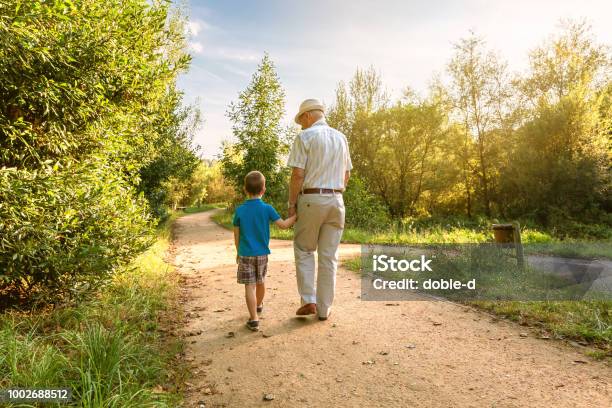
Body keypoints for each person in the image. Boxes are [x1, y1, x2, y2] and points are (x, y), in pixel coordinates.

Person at [286, 99, 352, 321]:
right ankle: (324, 309)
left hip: (311, 199)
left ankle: (308, 301)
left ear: (307, 116)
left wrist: (291, 204)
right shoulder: (341, 137)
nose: (300, 125)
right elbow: (347, 175)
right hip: (337, 200)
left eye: (301, 121)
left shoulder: (305, 137)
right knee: (328, 256)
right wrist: (336, 191)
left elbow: (297, 174)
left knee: (304, 249)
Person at [233, 171, 296, 331]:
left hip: (245, 254)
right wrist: (296, 216)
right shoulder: (267, 208)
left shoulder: (240, 210)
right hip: (262, 254)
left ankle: (254, 318)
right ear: (264, 189)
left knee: (249, 286)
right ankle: (259, 304)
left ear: (245, 189)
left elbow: (237, 235)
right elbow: (283, 225)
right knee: (260, 281)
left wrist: (238, 252)